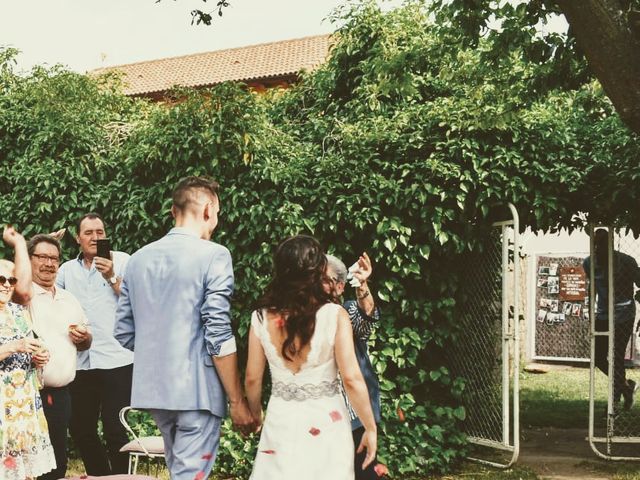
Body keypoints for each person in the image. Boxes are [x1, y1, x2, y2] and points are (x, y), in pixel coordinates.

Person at [114, 176, 254, 480]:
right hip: (197, 391)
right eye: (217, 213)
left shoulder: (137, 260)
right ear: (207, 209)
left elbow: (123, 332)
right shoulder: (214, 255)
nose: (216, 221)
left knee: (181, 473)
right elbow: (217, 332)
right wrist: (237, 400)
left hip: (155, 391)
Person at [245, 235, 377, 480]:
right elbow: (352, 379)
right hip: (327, 422)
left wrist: (256, 414)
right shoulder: (334, 315)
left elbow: (253, 378)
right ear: (318, 271)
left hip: (280, 419)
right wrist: (370, 427)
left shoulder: (261, 317)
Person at [56, 213, 133, 475]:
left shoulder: (122, 261)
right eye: (88, 232)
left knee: (115, 429)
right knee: (80, 428)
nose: (95, 237)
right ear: (78, 238)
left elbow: (137, 300)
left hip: (117, 359)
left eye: (99, 232)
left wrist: (111, 276)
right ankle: (102, 476)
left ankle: (121, 477)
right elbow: (53, 302)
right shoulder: (65, 270)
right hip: (81, 362)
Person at [27, 234, 93, 480]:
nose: (48, 263)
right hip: (29, 396)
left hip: (61, 395)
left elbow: (87, 342)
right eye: (41, 257)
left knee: (57, 464)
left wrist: (83, 338)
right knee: (26, 464)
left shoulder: (69, 299)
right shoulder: (20, 297)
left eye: (54, 258)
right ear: (30, 260)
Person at [0, 227, 56, 479]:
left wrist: (39, 357)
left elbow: (29, 348)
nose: (7, 285)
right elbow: (16, 346)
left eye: (11, 280)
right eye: (0, 280)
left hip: (24, 407)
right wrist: (14, 346)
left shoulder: (18, 313)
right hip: (2, 408)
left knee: (26, 473)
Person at [325, 252, 384, 479]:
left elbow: (366, 316)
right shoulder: (302, 317)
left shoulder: (347, 312)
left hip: (353, 415)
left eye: (324, 278)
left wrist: (362, 284)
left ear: (340, 286)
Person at [583, 228, 640, 410]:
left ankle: (614, 402)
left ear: (611, 245)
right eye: (596, 245)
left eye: (602, 244)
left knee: (616, 357)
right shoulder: (589, 263)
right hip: (603, 314)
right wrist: (591, 316)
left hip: (624, 314)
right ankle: (625, 387)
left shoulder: (626, 262)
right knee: (599, 357)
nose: (598, 248)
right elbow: (592, 288)